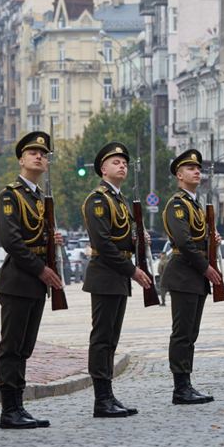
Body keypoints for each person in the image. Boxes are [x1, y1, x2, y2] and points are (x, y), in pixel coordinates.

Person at [0, 131, 65, 429]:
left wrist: (53, 238)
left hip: (35, 284)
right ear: (21, 159)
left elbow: (37, 236)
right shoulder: (10, 195)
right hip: (18, 280)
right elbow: (12, 241)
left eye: (44, 153)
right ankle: (9, 410)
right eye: (33, 152)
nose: (39, 156)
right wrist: (41, 269)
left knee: (25, 347)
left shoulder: (40, 198)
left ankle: (19, 406)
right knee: (12, 346)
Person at [81, 142, 153, 418]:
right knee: (102, 338)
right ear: (103, 169)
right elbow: (103, 243)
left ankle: (108, 394)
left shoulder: (118, 200)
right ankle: (101, 399)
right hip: (105, 275)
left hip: (116, 276)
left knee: (111, 338)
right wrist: (132, 270)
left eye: (124, 162)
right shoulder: (98, 200)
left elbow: (119, 238)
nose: (122, 165)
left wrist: (135, 240)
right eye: (115, 162)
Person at [161, 149, 224, 404]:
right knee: (182, 332)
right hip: (184, 274)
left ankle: (186, 383)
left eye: (198, 168)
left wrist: (212, 241)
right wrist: (206, 267)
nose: (196, 171)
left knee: (191, 332)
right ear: (179, 175)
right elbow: (184, 242)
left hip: (194, 276)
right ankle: (180, 387)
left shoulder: (195, 205)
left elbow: (197, 238)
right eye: (190, 168)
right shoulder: (177, 204)